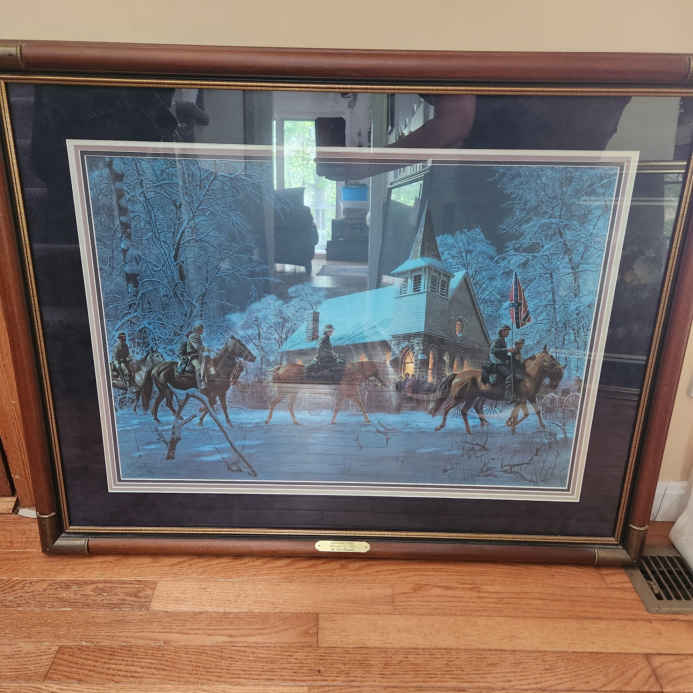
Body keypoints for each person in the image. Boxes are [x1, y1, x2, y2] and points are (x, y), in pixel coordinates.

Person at [178, 323, 207, 389]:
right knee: (198, 367)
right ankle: (199, 385)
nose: (202, 331)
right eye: (201, 330)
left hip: (196, 355)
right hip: (191, 356)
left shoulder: (197, 338)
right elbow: (196, 347)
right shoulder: (191, 338)